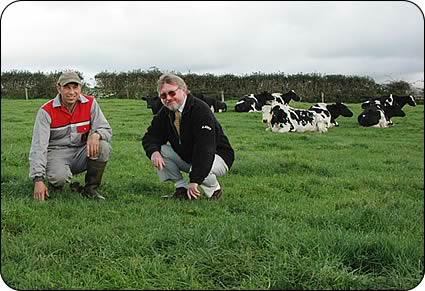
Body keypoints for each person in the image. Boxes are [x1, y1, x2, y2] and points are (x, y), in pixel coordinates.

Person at [142, 73, 234, 200]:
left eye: (172, 93)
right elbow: (151, 136)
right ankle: (181, 189)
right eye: (163, 96)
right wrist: (154, 152)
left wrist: (194, 180)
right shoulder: (165, 113)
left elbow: (205, 149)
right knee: (160, 150)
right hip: (189, 156)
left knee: (199, 167)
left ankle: (214, 190)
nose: (168, 98)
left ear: (183, 90)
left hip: (218, 155)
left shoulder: (201, 110)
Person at [29, 70, 112, 201]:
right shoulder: (46, 111)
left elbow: (106, 129)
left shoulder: (91, 103)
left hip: (80, 152)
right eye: (67, 87)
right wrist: (38, 179)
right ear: (58, 88)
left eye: (75, 87)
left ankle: (90, 189)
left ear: (81, 87)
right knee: (58, 178)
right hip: (56, 153)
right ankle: (55, 181)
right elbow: (39, 146)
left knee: (103, 147)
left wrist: (96, 135)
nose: (71, 92)